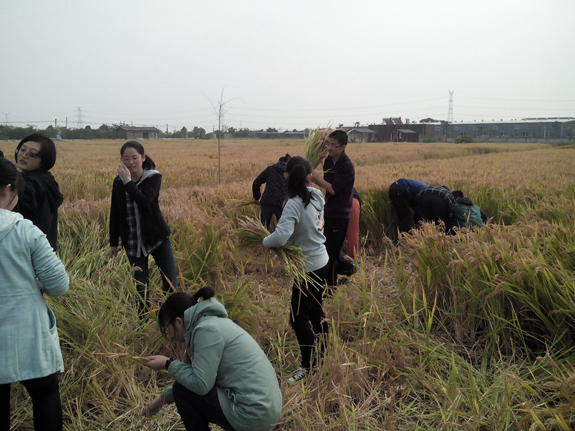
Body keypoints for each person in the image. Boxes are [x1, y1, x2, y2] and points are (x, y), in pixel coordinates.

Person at [142, 287, 282, 431]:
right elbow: (203, 376)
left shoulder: (206, 330)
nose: (169, 334)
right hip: (265, 410)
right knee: (183, 389)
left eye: (167, 328)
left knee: (181, 391)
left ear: (178, 322)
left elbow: (200, 385)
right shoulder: (213, 324)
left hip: (252, 414)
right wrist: (162, 398)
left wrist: (168, 363)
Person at [0, 157, 70, 431]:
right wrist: (37, 283)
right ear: (7, 190)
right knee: (45, 393)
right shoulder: (25, 231)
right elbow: (59, 284)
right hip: (27, 332)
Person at [263, 156, 329, 384]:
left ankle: (308, 367)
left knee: (298, 319)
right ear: (309, 175)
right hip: (322, 261)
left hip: (308, 268)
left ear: (286, 175)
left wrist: (264, 241)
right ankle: (323, 355)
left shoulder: (293, 204)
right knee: (315, 311)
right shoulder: (317, 195)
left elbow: (280, 237)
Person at [109, 141, 178, 314]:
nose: (131, 162)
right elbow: (115, 213)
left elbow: (144, 201)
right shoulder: (118, 183)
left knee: (171, 283)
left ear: (143, 158)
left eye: (135, 158)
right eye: (126, 159)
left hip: (157, 238)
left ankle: (173, 318)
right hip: (132, 242)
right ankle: (143, 324)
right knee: (141, 289)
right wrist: (113, 242)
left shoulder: (153, 177)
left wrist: (127, 182)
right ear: (121, 160)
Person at [311, 130, 355, 287]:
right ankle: (348, 268)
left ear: (343, 147)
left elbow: (333, 189)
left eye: (333, 145)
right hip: (328, 210)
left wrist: (313, 177)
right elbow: (326, 184)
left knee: (330, 252)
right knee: (327, 247)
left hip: (340, 214)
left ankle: (330, 286)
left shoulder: (347, 166)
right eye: (328, 144)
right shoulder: (329, 161)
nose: (329, 148)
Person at [13, 134, 63, 252]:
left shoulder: (30, 184)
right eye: (22, 150)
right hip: (43, 252)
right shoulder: (47, 180)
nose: (24, 155)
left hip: (25, 252)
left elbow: (13, 215)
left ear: (43, 160)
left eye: (32, 154)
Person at [252, 153, 291, 228]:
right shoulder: (290, 172)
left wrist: (257, 197)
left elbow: (256, 182)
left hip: (267, 201)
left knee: (263, 228)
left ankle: (263, 239)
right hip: (282, 203)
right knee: (284, 229)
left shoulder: (270, 169)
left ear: (278, 161)